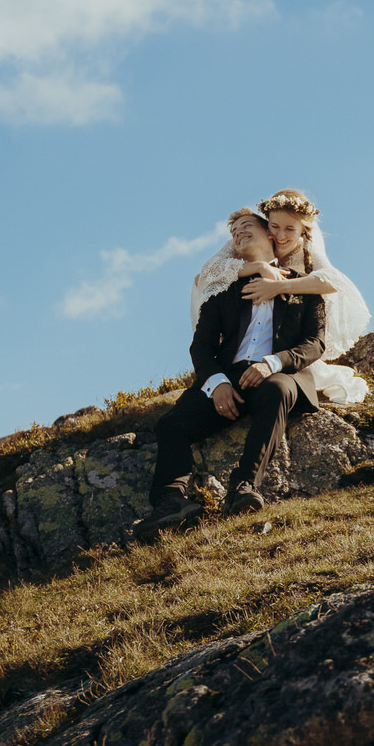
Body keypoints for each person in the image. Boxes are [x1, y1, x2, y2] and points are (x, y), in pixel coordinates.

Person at [139, 209, 329, 531]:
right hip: (229, 378)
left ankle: (244, 487)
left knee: (278, 390)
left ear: (270, 234)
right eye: (234, 231)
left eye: (246, 227)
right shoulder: (223, 288)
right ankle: (171, 503)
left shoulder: (304, 284)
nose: (238, 234)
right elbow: (201, 346)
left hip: (277, 374)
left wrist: (273, 363)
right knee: (171, 424)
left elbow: (316, 343)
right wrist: (216, 383)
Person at [190, 190, 370, 405]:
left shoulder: (308, 245)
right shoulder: (250, 232)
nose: (281, 236)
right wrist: (259, 266)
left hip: (289, 314)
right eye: (275, 227)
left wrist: (278, 286)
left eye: (289, 229)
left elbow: (333, 282)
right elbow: (207, 272)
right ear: (267, 224)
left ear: (303, 231)